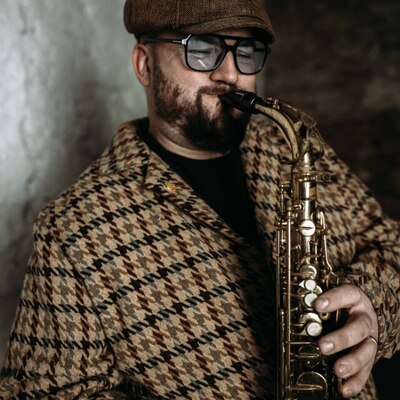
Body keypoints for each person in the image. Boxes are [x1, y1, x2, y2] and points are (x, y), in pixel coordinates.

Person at [0, 0, 399, 399]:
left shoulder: (292, 149)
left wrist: (373, 306)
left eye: (246, 51)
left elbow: (390, 246)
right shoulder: (73, 229)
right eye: (203, 48)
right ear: (144, 65)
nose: (231, 74)